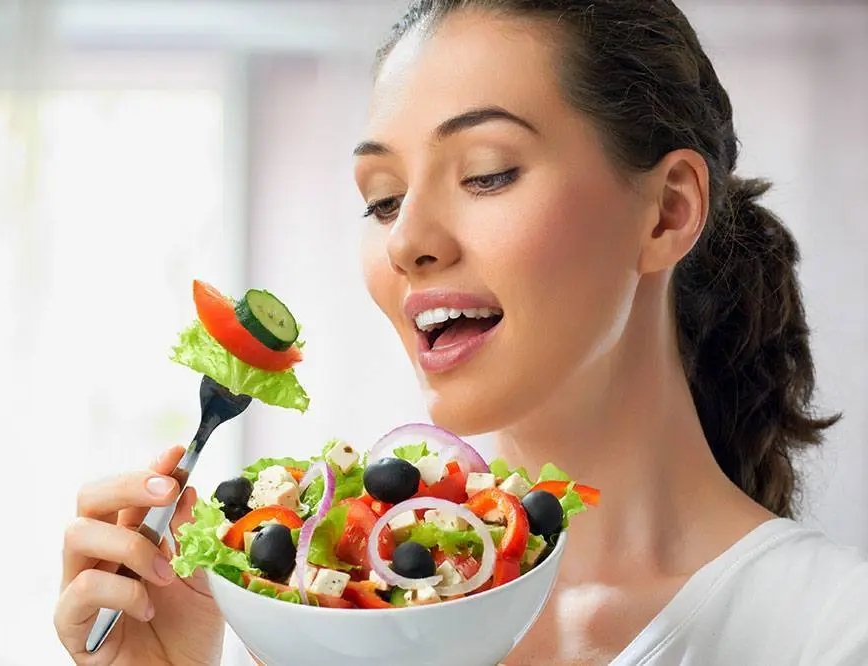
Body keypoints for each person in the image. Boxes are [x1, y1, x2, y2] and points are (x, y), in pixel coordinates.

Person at [53, 1, 868, 664]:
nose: (406, 240)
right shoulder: (323, 616)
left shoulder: (831, 633)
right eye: (381, 199)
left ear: (668, 211)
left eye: (487, 173)